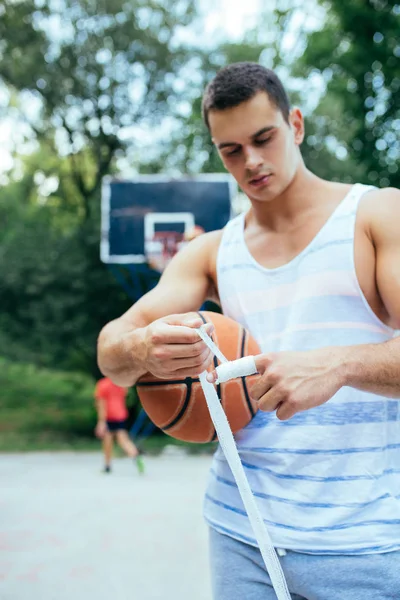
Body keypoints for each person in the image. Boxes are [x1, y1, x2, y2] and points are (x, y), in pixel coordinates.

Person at [96, 62, 400, 599]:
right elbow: (111, 352)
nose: (251, 161)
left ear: (296, 125)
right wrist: (144, 347)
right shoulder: (211, 251)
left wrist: (341, 363)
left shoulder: (378, 215)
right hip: (242, 532)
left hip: (367, 539)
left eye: (264, 138)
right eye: (231, 150)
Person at [94, 377, 144, 475]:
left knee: (107, 441)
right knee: (123, 440)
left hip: (109, 416)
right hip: (120, 415)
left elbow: (101, 404)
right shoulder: (121, 383)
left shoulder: (102, 384)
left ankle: (107, 466)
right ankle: (135, 454)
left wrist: (101, 422)